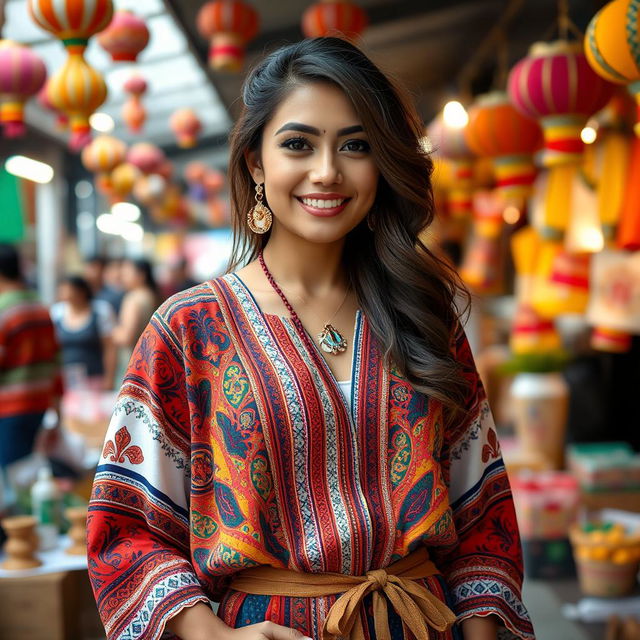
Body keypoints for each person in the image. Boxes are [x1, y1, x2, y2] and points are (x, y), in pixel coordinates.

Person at [87, 38, 533, 640]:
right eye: (298, 144)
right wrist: (212, 636)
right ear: (255, 163)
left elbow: (483, 512)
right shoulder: (189, 328)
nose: (327, 171)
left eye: (356, 145)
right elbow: (126, 526)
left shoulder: (425, 316)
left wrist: (477, 633)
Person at [0, 243, 63, 471]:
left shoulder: (4, 309)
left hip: (8, 407)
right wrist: (57, 408)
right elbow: (55, 360)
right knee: (27, 474)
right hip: (39, 403)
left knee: (12, 479)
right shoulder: (40, 307)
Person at [50, 275, 116, 390]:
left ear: (81, 291)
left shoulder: (101, 311)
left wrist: (109, 378)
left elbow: (109, 347)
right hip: (66, 378)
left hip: (95, 377)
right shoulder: (57, 313)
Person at [111, 258, 158, 385]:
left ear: (141, 275)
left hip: (131, 362)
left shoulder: (134, 299)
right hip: (148, 362)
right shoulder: (152, 295)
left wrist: (110, 332)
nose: (122, 277)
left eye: (126, 273)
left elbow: (126, 337)